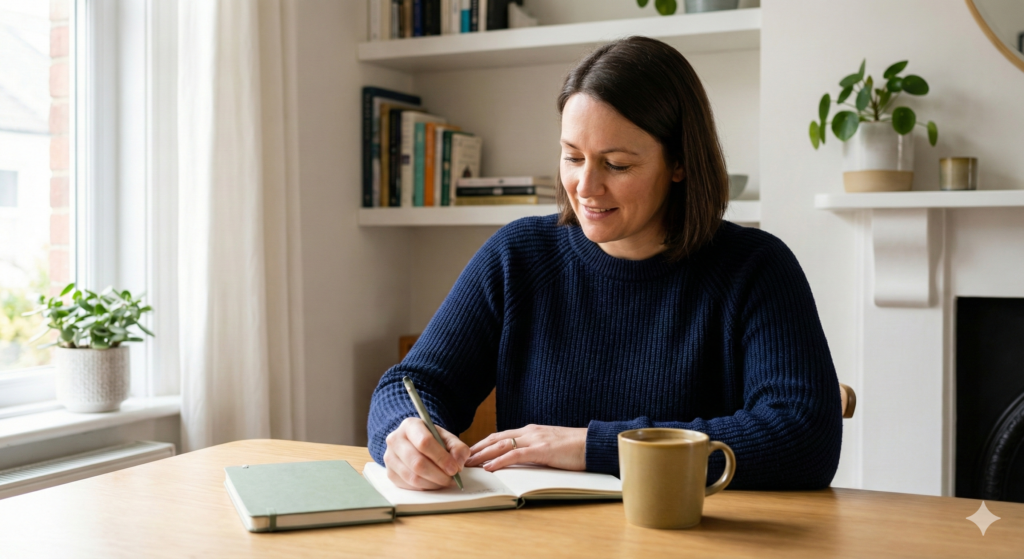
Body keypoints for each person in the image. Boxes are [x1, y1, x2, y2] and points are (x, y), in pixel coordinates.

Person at [367, 36, 842, 491]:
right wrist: (405, 434)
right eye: (573, 157)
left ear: (679, 163)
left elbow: (804, 439)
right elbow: (410, 385)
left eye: (616, 164)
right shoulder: (518, 256)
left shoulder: (757, 268)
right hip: (537, 540)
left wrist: (595, 446)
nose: (586, 187)